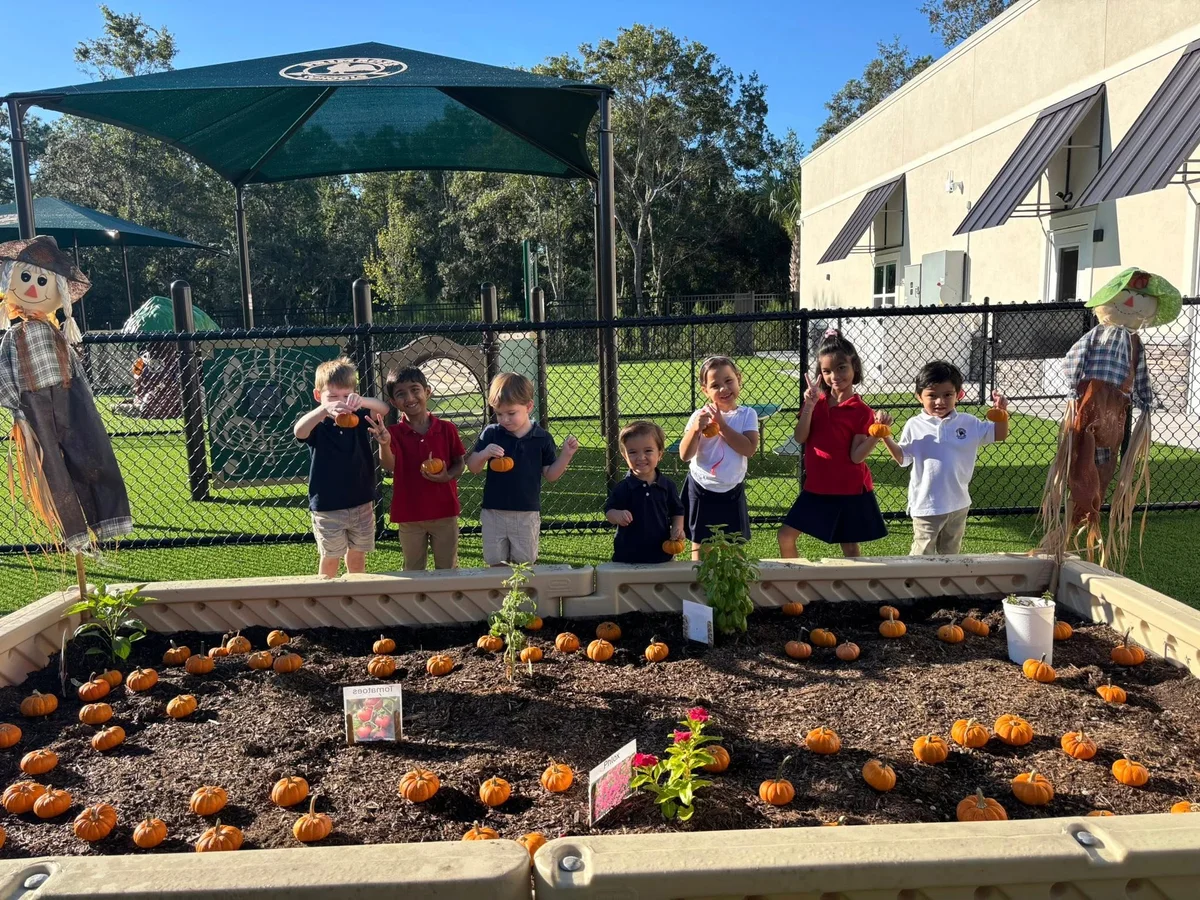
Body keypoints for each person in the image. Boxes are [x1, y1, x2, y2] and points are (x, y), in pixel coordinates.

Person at [878, 361, 1009, 556]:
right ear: (919, 397)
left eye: (947, 395)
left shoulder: (969, 422)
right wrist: (885, 436)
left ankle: (946, 586)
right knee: (922, 554)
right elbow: (902, 458)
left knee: (951, 554)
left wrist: (1002, 413)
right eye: (932, 395)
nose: (940, 401)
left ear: (959, 394)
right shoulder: (914, 425)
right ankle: (915, 585)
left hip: (959, 503)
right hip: (926, 505)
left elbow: (999, 434)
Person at [778, 329, 889, 558]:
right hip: (817, 487)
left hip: (848, 489)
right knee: (785, 536)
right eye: (827, 371)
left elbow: (856, 456)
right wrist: (808, 406)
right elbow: (800, 437)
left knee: (849, 547)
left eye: (841, 368)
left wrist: (876, 436)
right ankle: (795, 591)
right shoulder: (815, 401)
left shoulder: (862, 411)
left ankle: (855, 593)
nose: (835, 376)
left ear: (854, 367)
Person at [466, 372, 578, 566]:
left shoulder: (541, 438)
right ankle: (500, 596)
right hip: (494, 511)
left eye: (511, 413)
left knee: (525, 564)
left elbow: (550, 475)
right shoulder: (492, 433)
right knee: (495, 562)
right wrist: (484, 453)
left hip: (526, 513)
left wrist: (566, 455)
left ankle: (523, 596)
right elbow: (473, 467)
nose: (505, 419)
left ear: (528, 407)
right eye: (499, 414)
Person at [293, 358, 390, 577]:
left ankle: (355, 594)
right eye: (332, 397)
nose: (340, 402)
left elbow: (383, 408)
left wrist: (361, 401)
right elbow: (299, 431)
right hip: (328, 506)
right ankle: (326, 593)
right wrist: (323, 410)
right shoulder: (318, 423)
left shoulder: (358, 417)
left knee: (357, 554)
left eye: (346, 396)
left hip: (361, 502)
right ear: (318, 396)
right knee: (330, 556)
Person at [370, 366, 465, 570]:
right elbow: (388, 465)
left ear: (427, 392)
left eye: (415, 390)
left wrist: (447, 476)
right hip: (409, 514)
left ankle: (446, 602)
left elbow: (460, 462)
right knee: (413, 570)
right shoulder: (393, 433)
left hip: (444, 512)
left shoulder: (447, 429)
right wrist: (384, 444)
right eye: (401, 394)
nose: (410, 397)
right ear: (394, 402)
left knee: (448, 568)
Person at [679, 356, 759, 560]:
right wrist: (696, 429)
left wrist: (722, 425)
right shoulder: (699, 416)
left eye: (728, 381)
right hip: (701, 487)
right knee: (701, 544)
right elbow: (684, 455)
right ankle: (699, 585)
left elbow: (749, 449)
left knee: (733, 547)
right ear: (705, 390)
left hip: (732, 488)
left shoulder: (747, 414)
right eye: (715, 385)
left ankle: (734, 588)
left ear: (739, 379)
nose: (723, 389)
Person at [605, 421, 685, 564]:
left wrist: (677, 528)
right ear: (624, 456)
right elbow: (609, 511)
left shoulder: (667, 486)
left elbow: (677, 511)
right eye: (633, 452)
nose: (641, 457)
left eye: (648, 451)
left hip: (662, 555)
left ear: (660, 454)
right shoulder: (624, 487)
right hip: (627, 556)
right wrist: (617, 515)